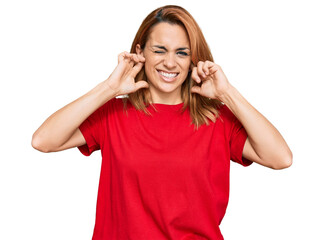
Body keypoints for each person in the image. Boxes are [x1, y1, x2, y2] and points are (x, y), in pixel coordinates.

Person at [32, 5, 292, 240]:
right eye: (159, 50)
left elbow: (280, 158)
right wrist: (109, 88)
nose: (170, 62)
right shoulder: (112, 113)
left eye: (181, 52)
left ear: (193, 59)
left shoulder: (216, 118)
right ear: (140, 52)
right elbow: (43, 140)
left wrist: (227, 94)